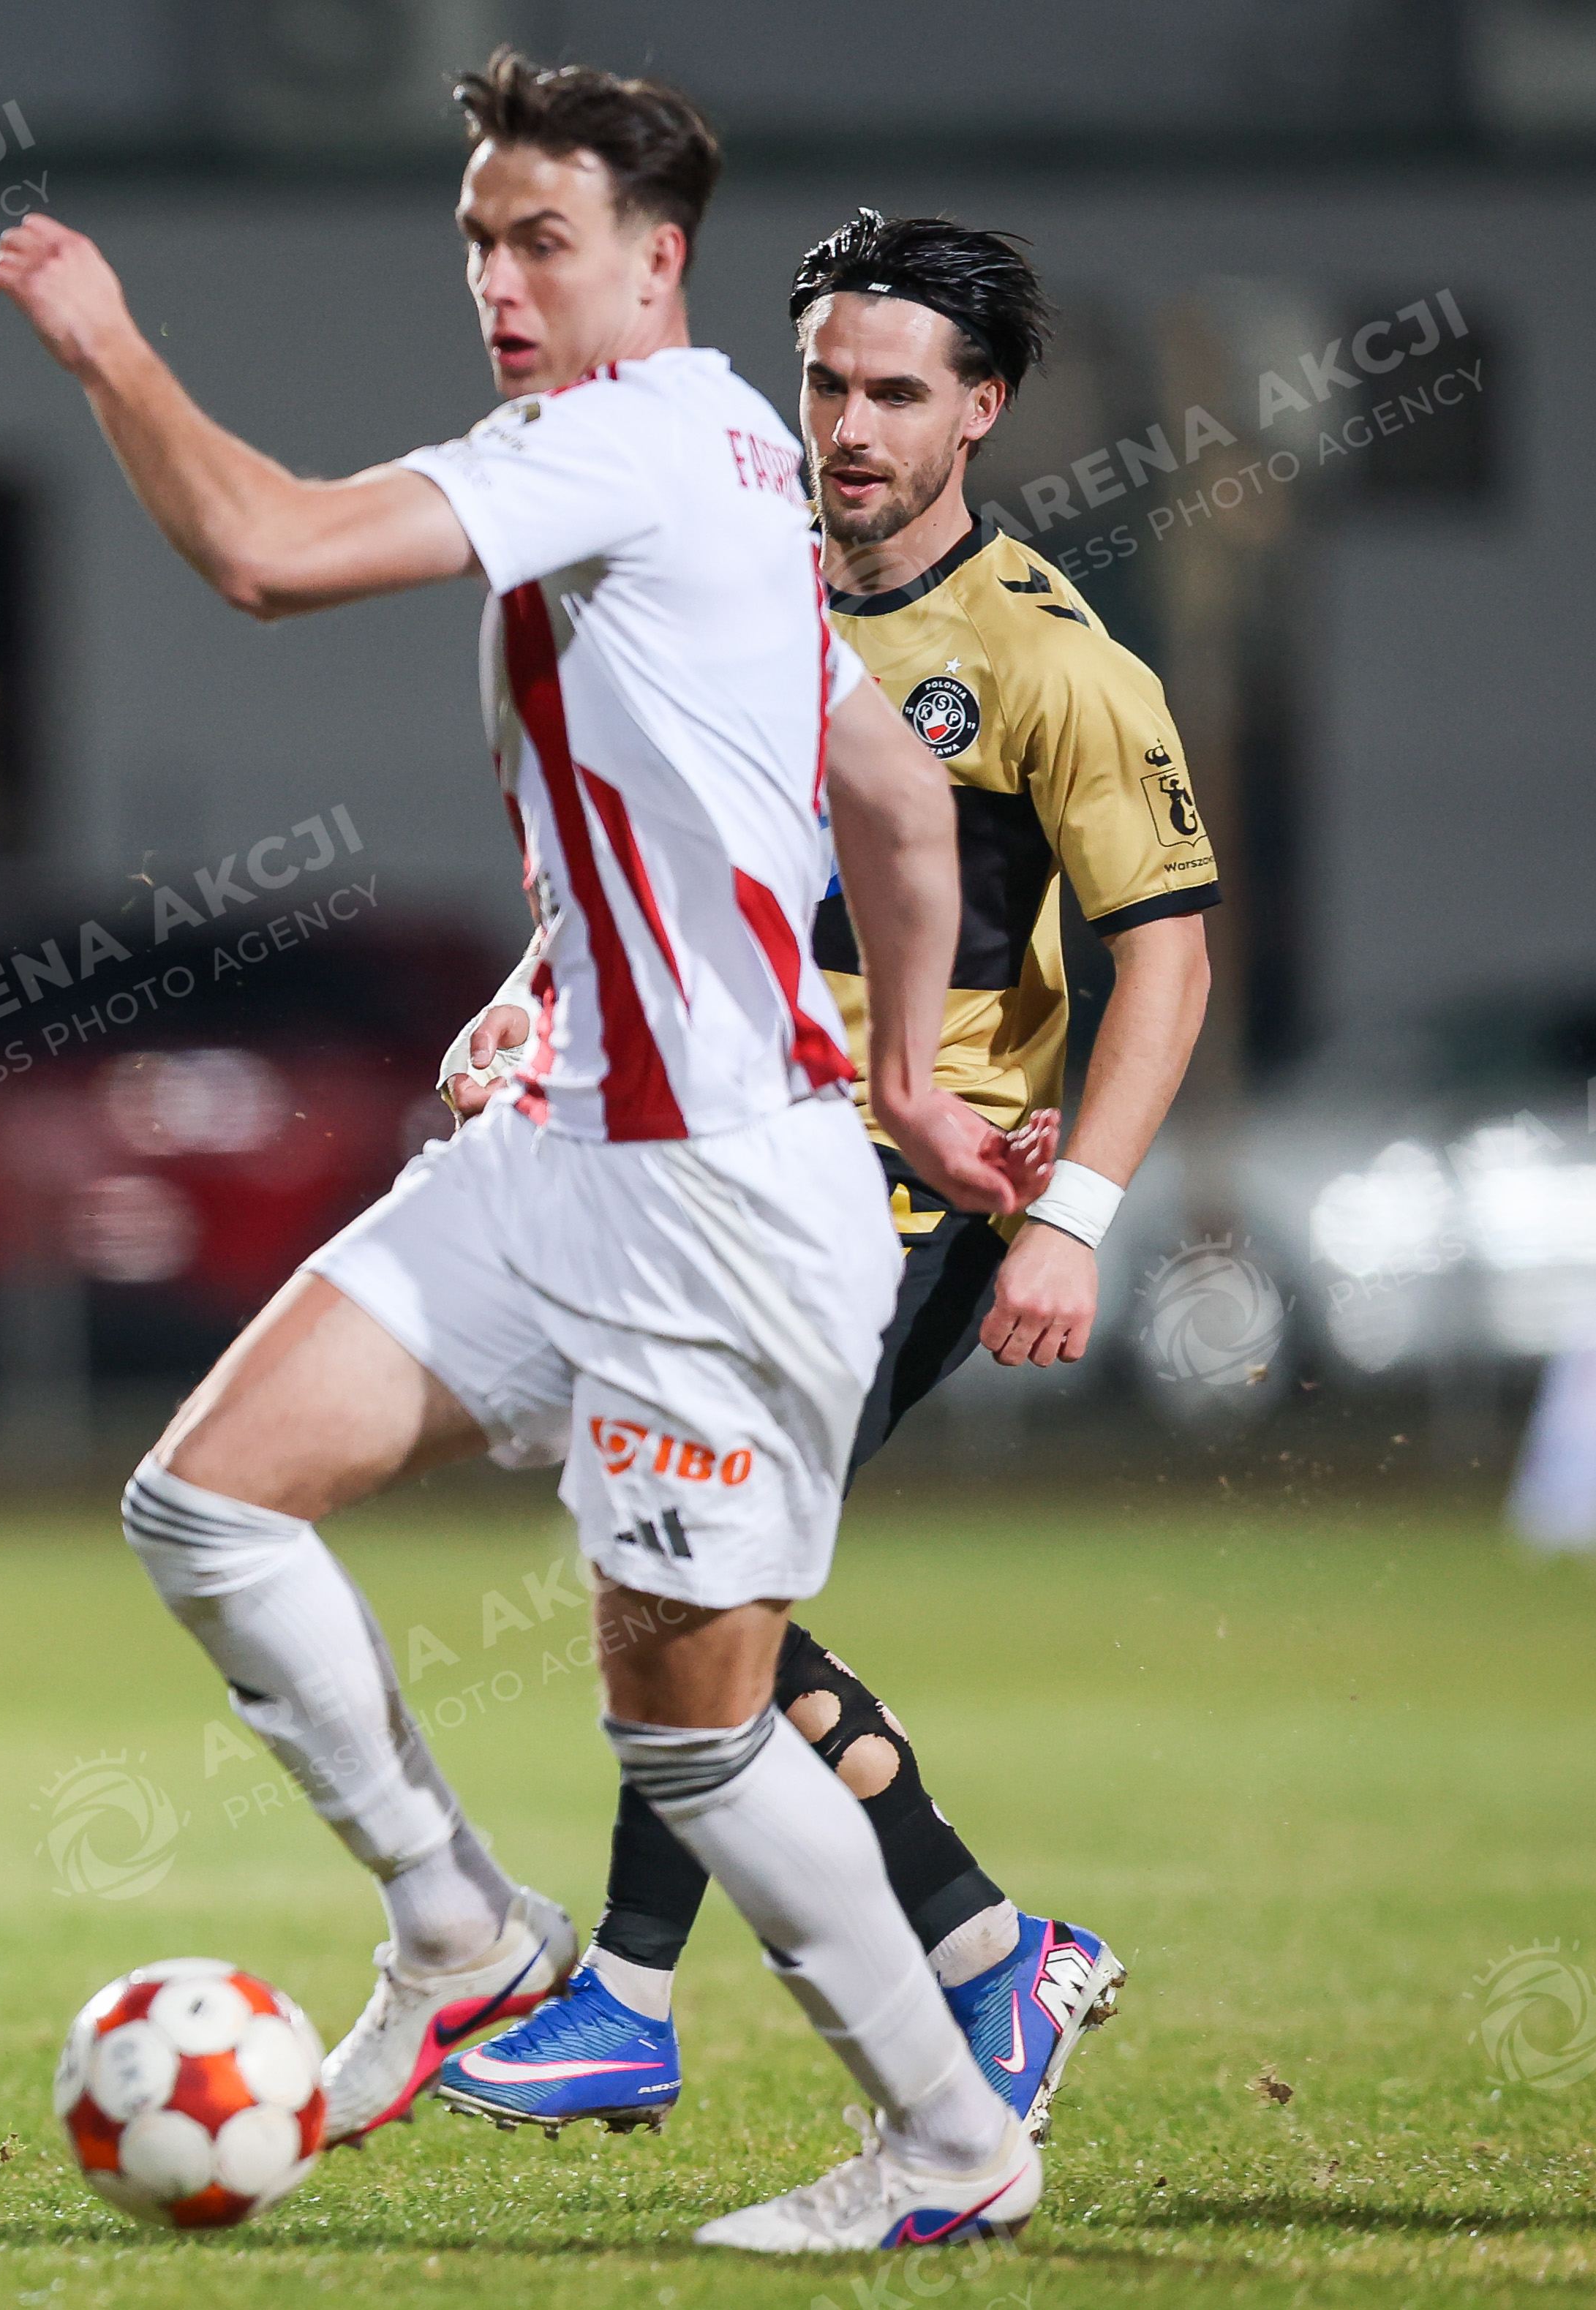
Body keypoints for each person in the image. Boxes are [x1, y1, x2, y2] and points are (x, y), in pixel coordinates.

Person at [0, 53, 1061, 2251]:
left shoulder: (631, 439)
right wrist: (908, 1073)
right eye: (474, 236)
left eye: (539, 238)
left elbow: (264, 554)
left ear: (658, 261)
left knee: (694, 1738)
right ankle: (458, 1924)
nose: (495, 278)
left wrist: (104, 346)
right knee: (204, 1498)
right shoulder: (733, 450)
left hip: (711, 1205)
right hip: (561, 1152)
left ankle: (951, 2142)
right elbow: (882, 785)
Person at [437, 212, 1213, 2147]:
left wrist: (1070, 1219)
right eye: (822, 383)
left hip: (907, 1194)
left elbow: (1168, 960)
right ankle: (981, 1948)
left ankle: (634, 1994)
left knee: (687, 1558)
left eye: (893, 392)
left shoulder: (1049, 664)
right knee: (678, 1570)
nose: (848, 425)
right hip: (704, 1157)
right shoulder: (730, 590)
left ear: (980, 409)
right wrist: (525, 999)